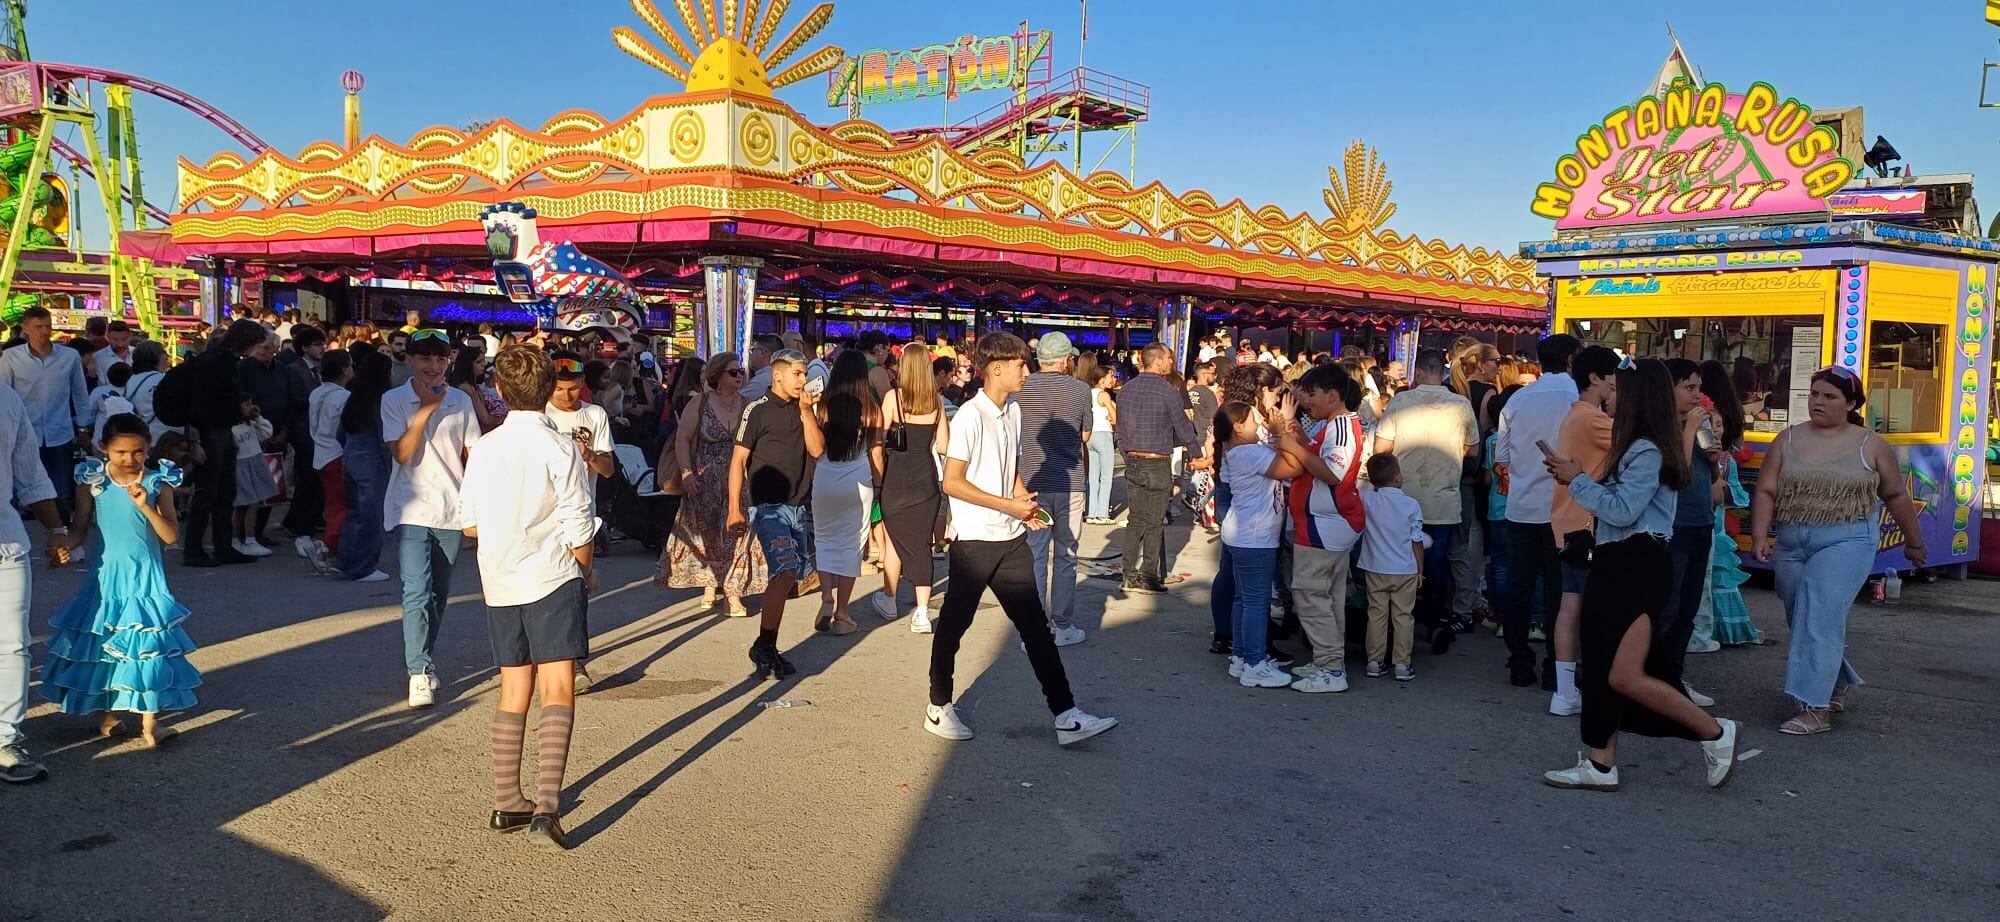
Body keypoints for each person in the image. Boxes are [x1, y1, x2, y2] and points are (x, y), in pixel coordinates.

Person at [1540, 358, 1741, 793]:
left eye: (1615, 388)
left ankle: (1715, 733)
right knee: (1602, 666)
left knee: (1624, 674)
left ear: (1634, 397)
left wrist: (1576, 480)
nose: (1608, 394)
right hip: (1623, 561)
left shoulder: (1647, 447)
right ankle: (1600, 761)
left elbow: (1622, 510)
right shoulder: (1643, 443)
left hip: (1633, 563)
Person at [924, 332, 1118, 746]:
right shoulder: (971, 417)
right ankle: (938, 706)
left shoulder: (1012, 410)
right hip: (975, 541)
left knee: (1035, 628)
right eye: (1019, 364)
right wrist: (1005, 504)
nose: (1025, 371)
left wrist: (1019, 500)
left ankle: (1065, 714)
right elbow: (952, 482)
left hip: (1010, 537)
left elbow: (1009, 464)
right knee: (955, 627)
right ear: (996, 369)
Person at [457, 345, 596, 851]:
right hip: (551, 573)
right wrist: (585, 567)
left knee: (512, 688)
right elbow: (579, 523)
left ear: (498, 390)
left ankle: (505, 799)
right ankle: (546, 806)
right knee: (557, 686)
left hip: (499, 577)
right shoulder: (559, 448)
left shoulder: (485, 447)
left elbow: (468, 523)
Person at [1751, 366, 1924, 736]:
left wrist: (1914, 542)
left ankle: (1815, 709)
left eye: (1829, 396)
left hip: (1847, 539)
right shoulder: (1788, 439)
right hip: (1792, 539)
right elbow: (1766, 489)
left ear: (1849, 403)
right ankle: (1836, 679)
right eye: (1814, 394)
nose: (1818, 402)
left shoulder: (1871, 445)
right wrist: (1760, 534)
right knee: (1803, 614)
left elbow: (1895, 495)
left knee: (1817, 612)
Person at [39, 414, 195, 747]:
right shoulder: (93, 481)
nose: (129, 459)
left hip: (146, 580)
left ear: (148, 447)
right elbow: (80, 529)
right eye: (121, 452)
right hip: (103, 579)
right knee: (100, 645)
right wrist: (63, 547)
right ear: (103, 448)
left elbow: (169, 535)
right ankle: (106, 714)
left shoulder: (158, 482)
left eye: (138, 451)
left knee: (147, 647)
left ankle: (150, 723)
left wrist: (145, 507)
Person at [384, 329, 482, 708]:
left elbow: (472, 454)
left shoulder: (460, 400)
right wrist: (424, 408)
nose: (434, 366)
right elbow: (402, 454)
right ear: (409, 360)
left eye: (441, 359)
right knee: (416, 590)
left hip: (451, 508)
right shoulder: (393, 400)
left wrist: (477, 504)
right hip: (410, 507)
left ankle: (426, 657)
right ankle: (419, 672)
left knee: (438, 595)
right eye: (425, 358)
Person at [1371, 348, 1477, 652]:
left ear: (1417, 372)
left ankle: (1398, 620)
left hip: (1402, 497)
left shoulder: (1401, 401)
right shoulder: (1460, 404)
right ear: (1442, 371)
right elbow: (1472, 450)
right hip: (1443, 501)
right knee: (1436, 562)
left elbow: (1382, 448)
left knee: (1400, 560)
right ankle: (1433, 619)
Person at [1492, 334, 1581, 687]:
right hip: (1567, 510)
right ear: (1573, 361)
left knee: (1519, 587)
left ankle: (1519, 663)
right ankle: (1555, 669)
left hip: (1522, 507)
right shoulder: (1579, 400)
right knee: (1562, 590)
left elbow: (1500, 457)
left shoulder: (1519, 399)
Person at [729, 348, 819, 679]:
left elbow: (818, 449)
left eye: (805, 374)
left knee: (792, 577)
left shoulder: (804, 408)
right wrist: (734, 508)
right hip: (767, 505)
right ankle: (766, 645)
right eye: (797, 374)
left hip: (797, 504)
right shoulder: (757, 411)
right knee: (785, 569)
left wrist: (807, 412)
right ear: (777, 375)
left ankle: (766, 643)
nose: (803, 380)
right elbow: (738, 461)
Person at [0, 379, 71, 782]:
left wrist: (56, 529)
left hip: (6, 541)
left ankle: (5, 739)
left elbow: (29, 472)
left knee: (12, 646)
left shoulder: (6, 400)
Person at [1544, 345, 1619, 717]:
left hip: (1569, 521)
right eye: (1612, 378)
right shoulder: (1594, 418)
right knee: (1587, 609)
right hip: (1590, 523)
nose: (1615, 385)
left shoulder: (1577, 416)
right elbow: (1636, 445)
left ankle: (1564, 689)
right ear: (1596, 378)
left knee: (1570, 605)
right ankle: (1588, 686)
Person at [1282, 364, 1366, 691]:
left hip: (1327, 525)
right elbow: (1315, 453)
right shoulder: (1332, 425)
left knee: (1309, 594)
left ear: (1332, 395)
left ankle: (1331, 669)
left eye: (1312, 394)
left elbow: (1332, 473)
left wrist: (1290, 446)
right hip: (1323, 524)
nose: (1307, 401)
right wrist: (1297, 438)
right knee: (1327, 597)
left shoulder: (1341, 428)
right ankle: (1327, 660)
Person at [662, 353, 767, 615]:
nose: (739, 376)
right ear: (718, 376)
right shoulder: (701, 403)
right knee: (706, 534)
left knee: (737, 533)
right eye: (733, 372)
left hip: (739, 477)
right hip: (704, 477)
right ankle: (710, 583)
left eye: (741, 371)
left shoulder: (748, 405)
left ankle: (733, 591)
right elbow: (683, 439)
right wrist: (686, 472)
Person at [1214, 397, 1308, 689]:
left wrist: (1278, 427)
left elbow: (1278, 456)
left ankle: (1242, 656)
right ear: (1239, 427)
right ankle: (1255, 663)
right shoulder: (1249, 454)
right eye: (1254, 420)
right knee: (1256, 601)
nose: (1259, 425)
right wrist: (1282, 434)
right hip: (1255, 536)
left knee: (1244, 598)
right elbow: (1294, 467)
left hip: (1242, 533)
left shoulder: (1235, 452)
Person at [1015, 333, 1094, 646]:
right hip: (1070, 482)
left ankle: (1033, 626)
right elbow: (1085, 435)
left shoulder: (1022, 387)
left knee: (1034, 553)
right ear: (1065, 360)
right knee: (1066, 555)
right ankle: (1062, 625)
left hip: (1030, 481)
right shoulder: (1080, 389)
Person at [1656, 358, 1725, 708]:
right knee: (1666, 607)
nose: (1698, 395)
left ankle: (1674, 676)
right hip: (1673, 526)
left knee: (1688, 607)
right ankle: (1653, 680)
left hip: (1701, 522)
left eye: (1699, 388)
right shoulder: (1660, 428)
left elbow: (1712, 481)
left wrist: (1715, 461)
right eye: (1689, 388)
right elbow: (1674, 475)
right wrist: (1689, 431)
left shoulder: (1701, 426)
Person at [179, 320, 270, 567]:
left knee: (224, 493)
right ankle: (195, 549)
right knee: (207, 492)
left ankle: (223, 546)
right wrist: (195, 440)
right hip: (211, 431)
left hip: (222, 430)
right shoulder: (217, 363)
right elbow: (199, 403)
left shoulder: (223, 361)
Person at [1114, 344, 1201, 593]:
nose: (1171, 363)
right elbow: (1183, 427)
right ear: (1158, 361)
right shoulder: (1167, 391)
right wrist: (1196, 454)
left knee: (1135, 520)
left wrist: (1127, 454)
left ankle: (1129, 574)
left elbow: (1120, 430)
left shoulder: (1126, 389)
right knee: (1153, 522)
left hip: (1134, 459)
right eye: (1168, 359)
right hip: (1156, 460)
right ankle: (1149, 576)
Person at [874, 344, 948, 632]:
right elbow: (943, 446)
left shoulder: (893, 398)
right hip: (925, 479)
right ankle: (921, 612)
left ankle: (889, 600)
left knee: (894, 540)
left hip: (896, 479)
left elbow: (878, 439)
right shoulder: (937, 402)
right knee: (921, 544)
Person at [808, 351, 881, 636]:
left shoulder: (822, 406)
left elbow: (814, 449)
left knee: (824, 541)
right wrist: (880, 485)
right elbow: (876, 454)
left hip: (826, 479)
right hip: (858, 480)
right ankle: (842, 612)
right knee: (852, 547)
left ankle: (826, 595)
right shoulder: (871, 408)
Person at [0, 307, 91, 522]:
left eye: (48, 326)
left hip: (58, 432)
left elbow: (80, 392)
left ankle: (65, 538)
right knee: (10, 489)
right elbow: (4, 396)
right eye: (38, 327)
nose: (44, 331)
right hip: (21, 432)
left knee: (61, 491)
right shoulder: (10, 358)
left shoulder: (69, 357)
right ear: (25, 329)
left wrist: (84, 427)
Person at [1696, 360, 1757, 648]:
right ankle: (1713, 629)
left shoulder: (1722, 458)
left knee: (1714, 573)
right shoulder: (1722, 446)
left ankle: (1713, 629)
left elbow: (1732, 493)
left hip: (1713, 519)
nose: (1716, 430)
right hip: (1712, 518)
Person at [1358, 452, 1429, 681]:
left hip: (1375, 567)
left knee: (1376, 614)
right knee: (1403, 616)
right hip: (1405, 569)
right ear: (1398, 478)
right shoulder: (1411, 505)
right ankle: (1401, 663)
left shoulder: (1367, 500)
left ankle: (1374, 662)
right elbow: (1416, 541)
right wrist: (1420, 570)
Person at [332, 351, 393, 583]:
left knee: (354, 513)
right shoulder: (382, 401)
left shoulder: (353, 397)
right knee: (372, 517)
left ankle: (344, 560)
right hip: (372, 462)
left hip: (350, 459)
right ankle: (363, 567)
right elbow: (384, 438)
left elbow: (340, 434)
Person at [306, 350, 353, 570]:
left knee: (332, 503)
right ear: (344, 370)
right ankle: (328, 548)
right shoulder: (343, 397)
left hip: (320, 451)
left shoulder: (316, 393)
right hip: (337, 454)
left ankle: (328, 543)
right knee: (341, 505)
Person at [228, 396, 279, 557]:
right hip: (241, 465)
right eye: (247, 405)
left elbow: (267, 433)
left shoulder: (251, 423)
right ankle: (245, 539)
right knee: (246, 504)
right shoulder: (232, 428)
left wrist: (258, 417)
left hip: (254, 461)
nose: (251, 408)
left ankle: (245, 540)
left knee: (252, 503)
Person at [1083, 365, 1119, 524]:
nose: (1113, 379)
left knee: (1092, 476)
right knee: (1106, 477)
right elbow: (1115, 418)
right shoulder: (1104, 395)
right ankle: (1103, 513)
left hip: (1090, 436)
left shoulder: (1088, 393)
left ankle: (1091, 512)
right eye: (1111, 376)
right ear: (1103, 378)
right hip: (1104, 435)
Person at [449, 345, 504, 433]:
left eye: (483, 360)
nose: (484, 364)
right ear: (468, 365)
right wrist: (503, 419)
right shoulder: (466, 388)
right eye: (478, 362)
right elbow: (484, 418)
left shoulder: (474, 386)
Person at [122, 341, 170, 440]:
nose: (167, 356)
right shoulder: (162, 380)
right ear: (156, 357)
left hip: (140, 435)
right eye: (163, 353)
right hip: (163, 436)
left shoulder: (132, 380)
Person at [87, 363, 136, 450]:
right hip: (128, 445)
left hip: (101, 442)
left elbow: (89, 414)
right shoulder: (135, 392)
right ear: (131, 376)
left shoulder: (98, 391)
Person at [739, 334, 781, 401]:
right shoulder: (778, 376)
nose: (750, 354)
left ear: (763, 353)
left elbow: (735, 405)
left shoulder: (761, 381)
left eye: (752, 350)